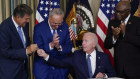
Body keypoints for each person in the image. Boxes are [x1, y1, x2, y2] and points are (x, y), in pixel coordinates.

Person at [37, 32, 116, 79]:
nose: (83, 43)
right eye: (82, 41)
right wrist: (45, 55)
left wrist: (104, 75)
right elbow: (60, 62)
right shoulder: (77, 55)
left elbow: (112, 74)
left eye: (86, 41)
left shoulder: (104, 57)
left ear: (94, 44)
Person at [0, 4, 38, 79]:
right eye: (26, 19)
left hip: (23, 70)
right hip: (10, 73)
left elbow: (26, 41)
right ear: (18, 17)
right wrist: (26, 51)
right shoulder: (4, 28)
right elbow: (5, 51)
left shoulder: (25, 24)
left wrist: (31, 48)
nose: (28, 21)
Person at [33, 8, 73, 79]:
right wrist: (51, 44)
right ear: (49, 18)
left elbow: (69, 46)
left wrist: (59, 47)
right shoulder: (39, 28)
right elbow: (38, 48)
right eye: (55, 23)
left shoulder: (65, 26)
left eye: (59, 23)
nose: (57, 26)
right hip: (44, 70)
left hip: (60, 70)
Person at [104, 1, 140, 78]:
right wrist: (114, 37)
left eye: (121, 12)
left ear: (128, 11)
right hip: (119, 69)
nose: (117, 14)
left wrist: (125, 34)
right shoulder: (113, 23)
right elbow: (106, 45)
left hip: (135, 69)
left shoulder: (138, 22)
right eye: (116, 11)